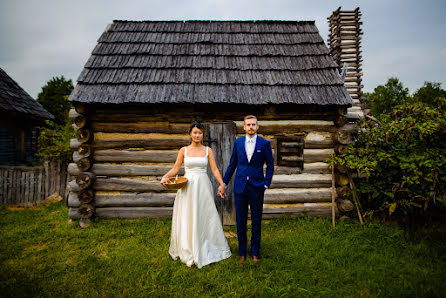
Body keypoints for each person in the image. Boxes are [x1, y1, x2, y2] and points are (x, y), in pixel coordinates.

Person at [160, 122, 231, 268]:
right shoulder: (183, 150)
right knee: (187, 214)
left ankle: (206, 243)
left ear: (203, 134)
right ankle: (188, 246)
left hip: (203, 185)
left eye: (199, 132)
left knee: (204, 214)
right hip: (187, 186)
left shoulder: (208, 151)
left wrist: (222, 183)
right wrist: (165, 176)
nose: (197, 135)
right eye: (194, 132)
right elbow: (175, 168)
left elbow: (215, 169)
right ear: (190, 134)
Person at [223, 115, 274, 265]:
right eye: (248, 125)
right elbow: (232, 165)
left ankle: (255, 252)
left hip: (257, 187)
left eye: (253, 124)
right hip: (240, 187)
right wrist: (224, 183)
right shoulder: (238, 143)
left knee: (257, 220)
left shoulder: (264, 143)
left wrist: (266, 183)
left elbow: (270, 165)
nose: (251, 127)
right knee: (240, 220)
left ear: (257, 127)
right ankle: (242, 252)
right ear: (244, 127)